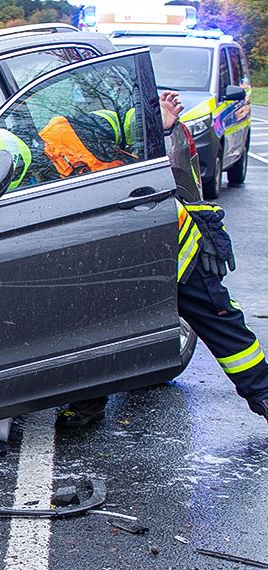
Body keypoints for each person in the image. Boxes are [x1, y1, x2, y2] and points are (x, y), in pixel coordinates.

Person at [50, 92, 268, 427]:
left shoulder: (69, 128)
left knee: (218, 319)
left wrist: (157, 123)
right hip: (114, 250)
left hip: (172, 246)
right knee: (95, 323)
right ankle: (88, 403)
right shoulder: (34, 157)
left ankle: (263, 393)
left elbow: (127, 124)